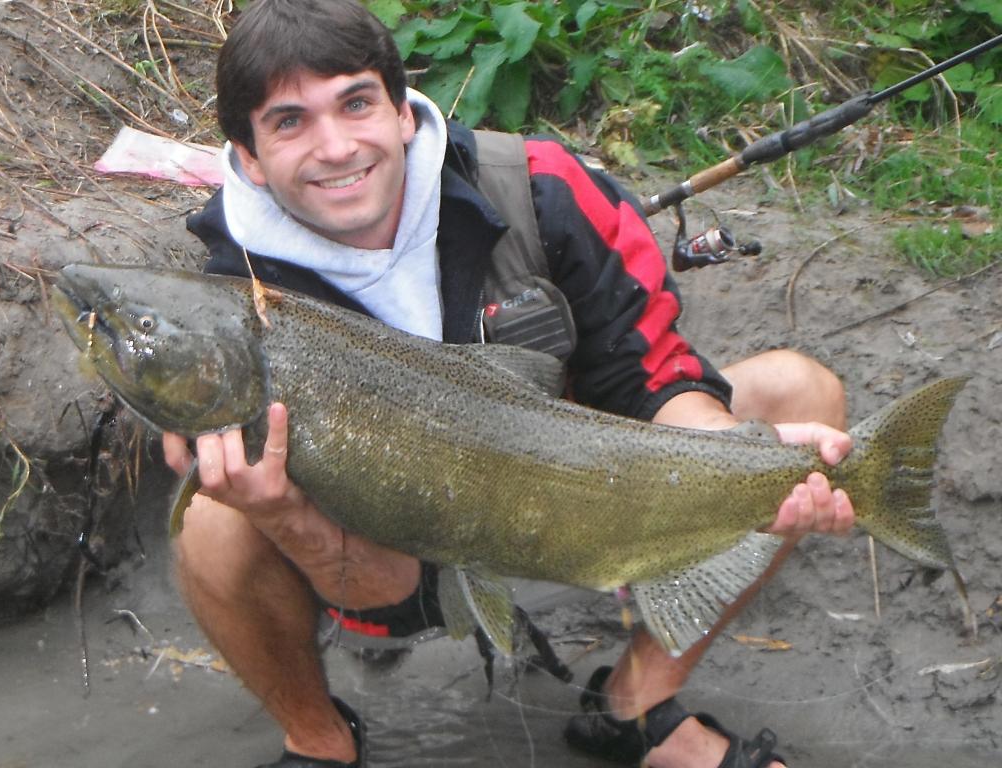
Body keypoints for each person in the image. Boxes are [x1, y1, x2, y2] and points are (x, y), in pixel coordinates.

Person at [163, 1, 855, 767]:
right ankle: (320, 741)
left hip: (578, 494)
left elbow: (650, 382)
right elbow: (381, 589)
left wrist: (744, 459)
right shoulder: (234, 291)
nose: (335, 146)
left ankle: (633, 709)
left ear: (401, 111)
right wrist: (288, 516)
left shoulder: (543, 187)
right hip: (383, 536)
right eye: (289, 122)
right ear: (250, 158)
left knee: (798, 392)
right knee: (209, 518)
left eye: (356, 102)